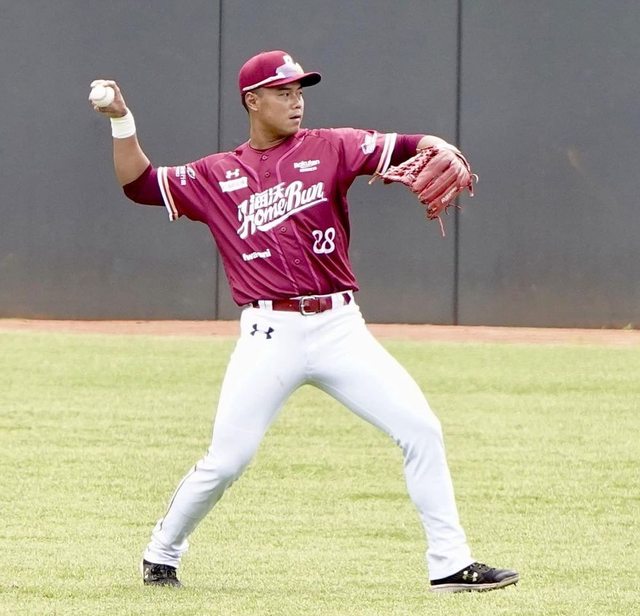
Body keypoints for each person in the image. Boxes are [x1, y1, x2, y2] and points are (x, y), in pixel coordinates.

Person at [89, 50, 519, 593]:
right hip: (269, 336)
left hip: (341, 329)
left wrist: (438, 145)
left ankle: (450, 565)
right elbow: (139, 184)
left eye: (299, 91)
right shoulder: (215, 174)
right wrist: (121, 120)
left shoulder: (332, 146)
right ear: (253, 100)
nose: (296, 102)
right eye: (283, 92)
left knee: (421, 430)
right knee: (227, 460)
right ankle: (161, 552)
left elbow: (410, 144)